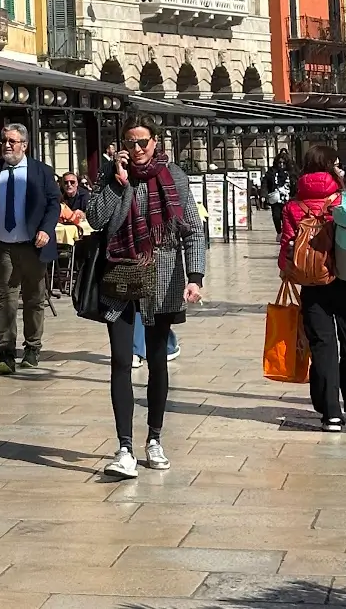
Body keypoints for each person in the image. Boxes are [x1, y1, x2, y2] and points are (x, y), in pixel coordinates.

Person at [86, 113, 205, 477]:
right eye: (130, 143)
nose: (137, 150)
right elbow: (96, 219)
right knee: (122, 359)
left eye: (143, 142)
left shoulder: (175, 177)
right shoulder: (112, 177)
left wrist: (195, 276)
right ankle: (124, 447)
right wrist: (116, 183)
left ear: (156, 142)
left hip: (165, 272)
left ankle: (154, 438)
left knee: (156, 359)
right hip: (120, 273)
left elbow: (192, 230)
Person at [279, 143, 346, 433]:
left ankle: (330, 412)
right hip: (345, 281)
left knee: (322, 347)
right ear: (331, 166)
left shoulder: (294, 206)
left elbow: (286, 251)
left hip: (312, 285)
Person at [0, 124, 61, 374]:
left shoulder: (40, 171)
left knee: (34, 299)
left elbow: (54, 203)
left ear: (24, 144)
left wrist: (46, 228)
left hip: (32, 246)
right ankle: (6, 353)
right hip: (1, 246)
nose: (7, 145)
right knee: (6, 301)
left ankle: (32, 348)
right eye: (3, 141)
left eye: (12, 141)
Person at [263, 151, 293, 237]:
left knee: (286, 217)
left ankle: (286, 233)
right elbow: (265, 182)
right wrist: (263, 194)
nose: (282, 165)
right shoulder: (272, 172)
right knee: (276, 216)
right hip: (275, 198)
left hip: (288, 199)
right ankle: (279, 232)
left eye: (284, 163)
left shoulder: (291, 172)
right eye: (280, 162)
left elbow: (296, 183)